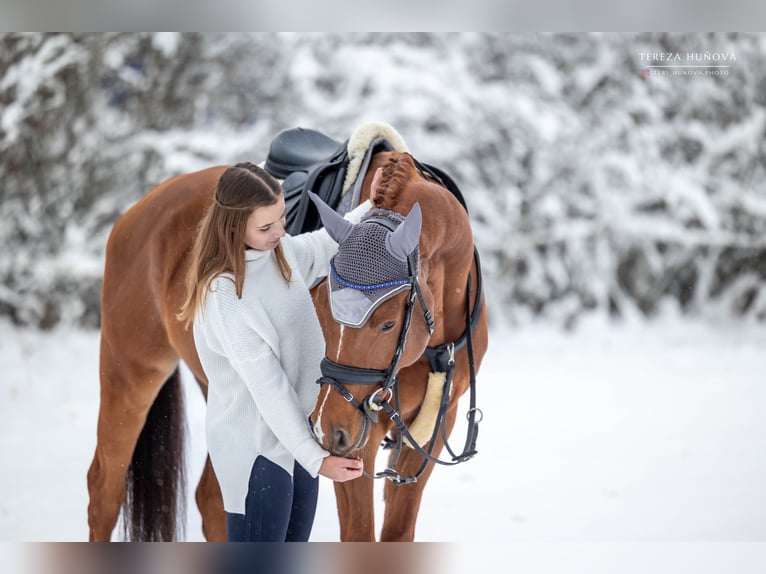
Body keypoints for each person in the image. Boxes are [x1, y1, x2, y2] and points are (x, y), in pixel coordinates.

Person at [177, 161, 371, 542]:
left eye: (282, 218)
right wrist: (317, 460)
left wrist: (376, 205)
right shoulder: (225, 294)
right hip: (258, 455)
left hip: (298, 439)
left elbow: (324, 241)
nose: (280, 232)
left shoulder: (281, 255)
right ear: (234, 227)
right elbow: (269, 388)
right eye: (266, 227)